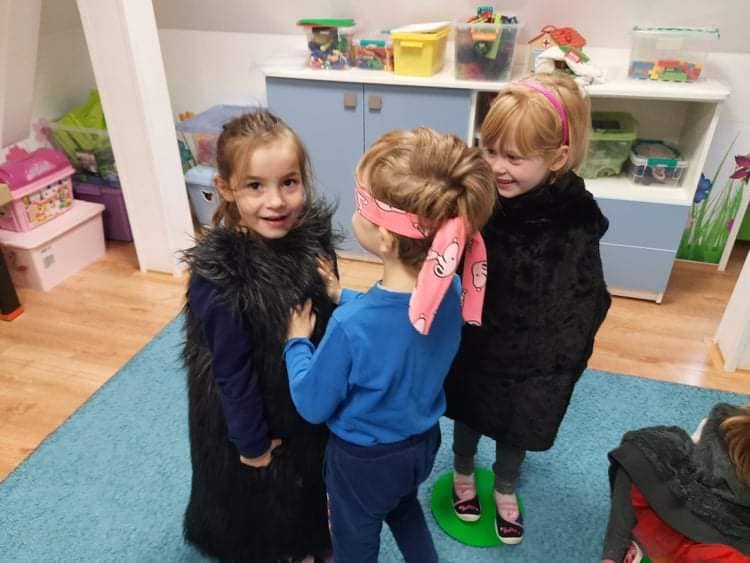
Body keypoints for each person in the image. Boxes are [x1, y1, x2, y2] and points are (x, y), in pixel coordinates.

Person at [283, 127, 497, 563]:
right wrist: (344, 294)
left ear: (385, 237)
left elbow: (311, 403)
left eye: (360, 204)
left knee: (354, 540)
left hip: (362, 463)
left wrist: (297, 343)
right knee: (403, 507)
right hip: (421, 445)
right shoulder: (452, 291)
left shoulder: (349, 328)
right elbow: (398, 324)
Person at [443, 73, 612, 544]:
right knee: (468, 411)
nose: (497, 167)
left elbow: (584, 290)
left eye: (514, 158)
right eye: (490, 151)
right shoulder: (480, 197)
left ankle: (506, 486)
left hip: (535, 353)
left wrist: (562, 350)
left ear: (556, 158)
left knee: (516, 423)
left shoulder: (576, 217)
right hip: (477, 338)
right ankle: (461, 472)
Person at [181, 110, 337, 562]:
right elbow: (230, 371)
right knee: (261, 492)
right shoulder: (221, 275)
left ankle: (308, 539)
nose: (276, 201)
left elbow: (327, 316)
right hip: (253, 413)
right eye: (255, 186)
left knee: (308, 478)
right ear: (226, 187)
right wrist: (250, 443)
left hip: (304, 392)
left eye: (289, 182)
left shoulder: (313, 241)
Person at [601, 402, 750, 562]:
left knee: (642, 457)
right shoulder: (724, 427)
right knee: (643, 456)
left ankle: (617, 553)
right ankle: (617, 552)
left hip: (696, 528)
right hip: (685, 514)